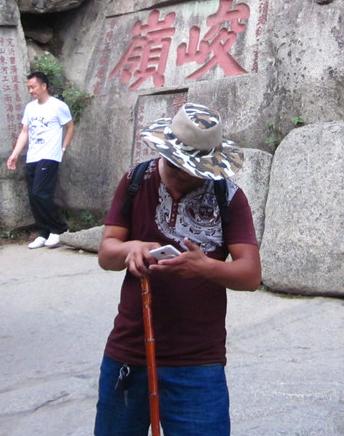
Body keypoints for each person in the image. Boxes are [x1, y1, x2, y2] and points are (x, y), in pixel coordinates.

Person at [95, 102, 261, 436]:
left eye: (194, 171)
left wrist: (205, 267)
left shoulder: (229, 197)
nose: (183, 178)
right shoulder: (135, 181)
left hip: (198, 360)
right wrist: (132, 249)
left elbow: (250, 274)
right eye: (177, 168)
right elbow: (106, 253)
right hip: (130, 350)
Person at [6, 71, 75, 249]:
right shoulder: (30, 108)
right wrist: (14, 154)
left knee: (40, 193)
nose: (30, 90)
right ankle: (43, 232)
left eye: (33, 87)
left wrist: (63, 148)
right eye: (28, 87)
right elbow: (24, 132)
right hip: (33, 156)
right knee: (33, 196)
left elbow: (69, 127)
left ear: (44, 86)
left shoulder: (58, 106)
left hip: (50, 155)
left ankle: (59, 229)